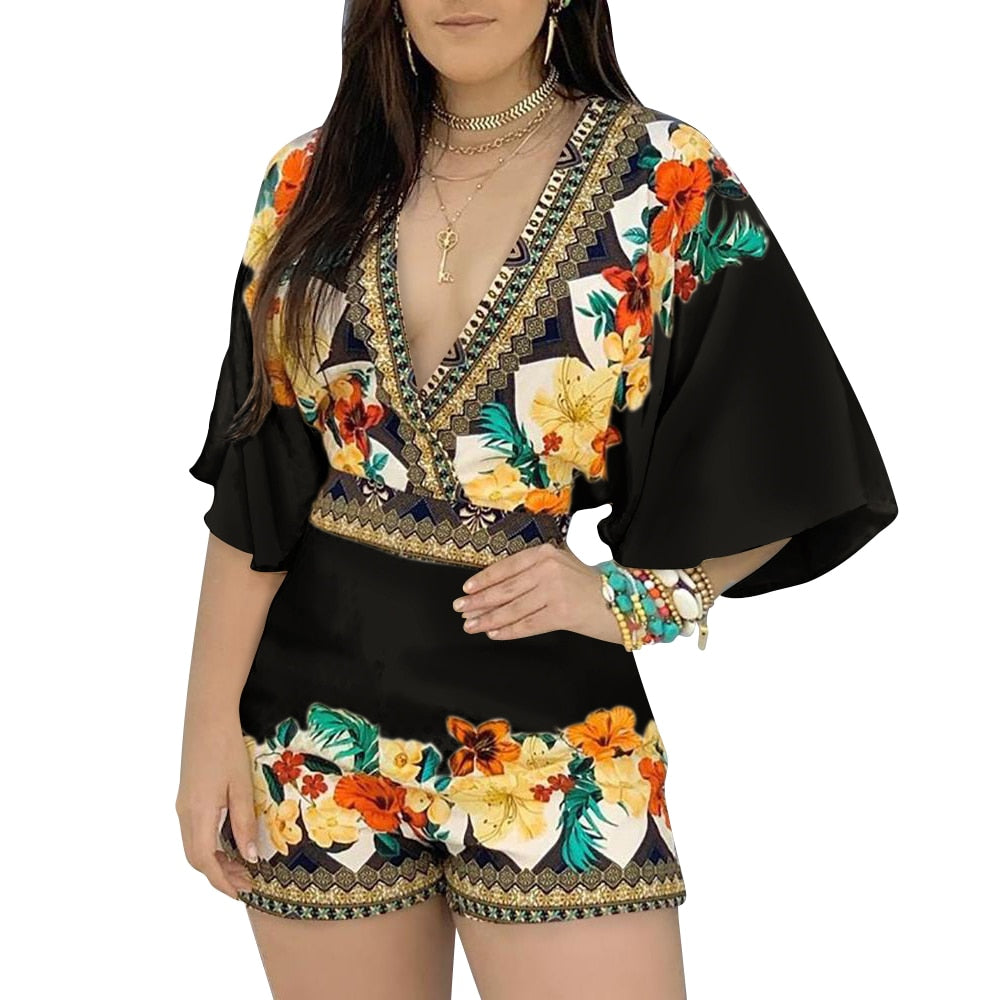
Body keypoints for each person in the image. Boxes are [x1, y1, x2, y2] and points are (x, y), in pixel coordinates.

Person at [178, 1, 898, 996]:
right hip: (315, 740)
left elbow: (795, 449)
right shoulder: (308, 178)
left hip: (551, 734)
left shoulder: (663, 179)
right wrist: (205, 730)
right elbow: (257, 480)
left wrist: (638, 599)